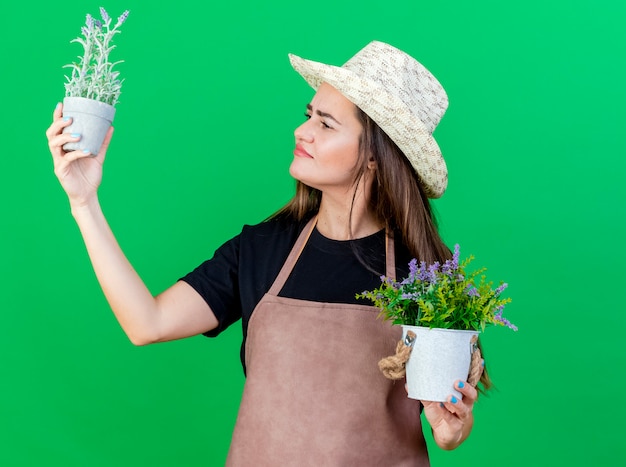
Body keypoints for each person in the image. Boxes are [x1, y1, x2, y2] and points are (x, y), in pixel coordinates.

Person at [47, 40, 487, 465]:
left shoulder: (427, 275)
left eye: (326, 124)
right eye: (309, 115)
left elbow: (449, 421)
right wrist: (84, 203)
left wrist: (452, 430)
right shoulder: (262, 248)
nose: (302, 130)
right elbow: (148, 323)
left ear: (374, 156)